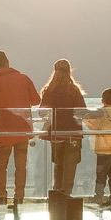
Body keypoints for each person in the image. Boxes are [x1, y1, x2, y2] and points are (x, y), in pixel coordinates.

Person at [0, 50, 39, 210]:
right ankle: (19, 197)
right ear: (8, 61)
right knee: (21, 165)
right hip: (22, 130)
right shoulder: (23, 78)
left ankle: (1, 197)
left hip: (3, 131)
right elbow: (36, 100)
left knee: (1, 165)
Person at [38, 58, 88, 196]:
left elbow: (42, 112)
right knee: (70, 167)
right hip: (73, 134)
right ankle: (66, 196)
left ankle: (56, 195)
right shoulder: (74, 90)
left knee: (58, 164)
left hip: (56, 134)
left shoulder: (49, 91)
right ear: (69, 71)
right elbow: (82, 111)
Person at [83, 87, 111, 205]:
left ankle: (99, 197)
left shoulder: (100, 113)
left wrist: (85, 120)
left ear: (102, 100)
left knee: (100, 174)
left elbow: (94, 126)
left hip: (103, 148)